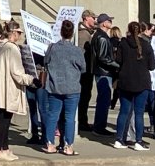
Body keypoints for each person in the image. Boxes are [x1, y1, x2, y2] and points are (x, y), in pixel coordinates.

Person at [0, 21, 33, 162]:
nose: (20, 35)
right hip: (9, 87)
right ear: (13, 32)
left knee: (4, 118)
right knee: (4, 119)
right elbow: (17, 73)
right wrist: (31, 79)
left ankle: (4, 147)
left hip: (1, 86)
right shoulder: (12, 49)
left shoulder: (0, 47)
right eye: (19, 32)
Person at [43, 19, 85, 155]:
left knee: (52, 116)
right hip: (72, 87)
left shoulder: (52, 47)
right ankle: (68, 146)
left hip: (55, 86)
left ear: (60, 32)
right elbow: (83, 67)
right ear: (72, 33)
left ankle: (50, 144)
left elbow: (46, 62)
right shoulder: (76, 50)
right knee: (69, 118)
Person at [113, 21, 155, 150]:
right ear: (141, 31)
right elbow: (152, 66)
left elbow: (118, 61)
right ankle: (138, 141)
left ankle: (119, 139)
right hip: (142, 82)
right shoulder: (146, 45)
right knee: (139, 113)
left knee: (124, 112)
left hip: (125, 81)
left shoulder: (123, 43)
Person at [90, 14, 120, 134]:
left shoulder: (100, 36)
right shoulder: (102, 38)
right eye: (109, 21)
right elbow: (103, 57)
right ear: (103, 23)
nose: (110, 22)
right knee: (104, 99)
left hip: (102, 71)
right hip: (103, 72)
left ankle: (99, 126)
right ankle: (99, 127)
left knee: (104, 99)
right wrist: (117, 65)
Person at [77, 10, 97, 130]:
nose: (94, 20)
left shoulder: (87, 33)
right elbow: (82, 54)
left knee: (85, 96)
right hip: (84, 72)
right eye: (92, 18)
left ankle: (82, 120)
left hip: (86, 70)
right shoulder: (84, 34)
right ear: (86, 19)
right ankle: (82, 122)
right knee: (84, 96)